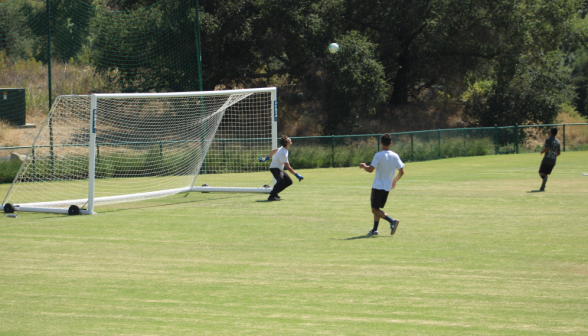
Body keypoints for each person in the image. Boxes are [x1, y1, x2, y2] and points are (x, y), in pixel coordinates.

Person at [359, 133, 404, 236]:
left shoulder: (378, 155)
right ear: (391, 143)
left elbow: (370, 170)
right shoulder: (395, 155)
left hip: (378, 186)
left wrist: (364, 166)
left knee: (374, 209)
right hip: (387, 187)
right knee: (377, 209)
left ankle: (392, 221)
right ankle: (375, 229)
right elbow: (401, 172)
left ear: (381, 143)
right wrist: (395, 180)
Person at [259, 135, 303, 201]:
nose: (290, 139)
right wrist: (296, 174)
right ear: (287, 143)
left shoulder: (283, 148)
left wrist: (267, 158)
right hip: (274, 168)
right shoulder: (283, 153)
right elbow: (288, 167)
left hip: (279, 169)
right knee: (281, 181)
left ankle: (275, 193)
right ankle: (271, 197)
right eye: (289, 139)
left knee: (289, 181)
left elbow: (275, 150)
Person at [538, 127, 561, 191]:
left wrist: (542, 151)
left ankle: (543, 179)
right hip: (553, 161)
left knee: (540, 172)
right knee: (546, 173)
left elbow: (547, 148)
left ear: (551, 132)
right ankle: (542, 187)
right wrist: (553, 156)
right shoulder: (558, 142)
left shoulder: (548, 139)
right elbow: (559, 153)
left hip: (546, 160)